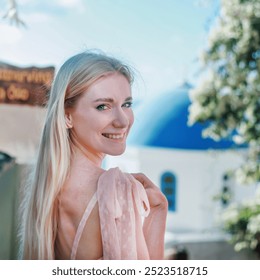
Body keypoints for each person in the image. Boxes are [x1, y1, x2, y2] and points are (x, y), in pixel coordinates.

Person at [18, 50, 168, 260]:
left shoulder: (49, 189)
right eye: (103, 106)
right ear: (67, 116)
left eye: (126, 104)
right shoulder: (118, 190)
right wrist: (158, 212)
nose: (123, 121)